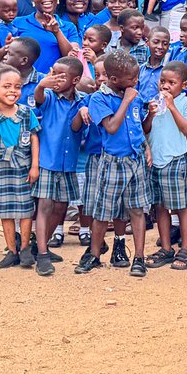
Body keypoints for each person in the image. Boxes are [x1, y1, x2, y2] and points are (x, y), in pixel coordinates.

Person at [78, 51, 154, 278]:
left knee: (137, 209)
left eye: (136, 77)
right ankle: (94, 254)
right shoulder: (99, 99)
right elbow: (110, 127)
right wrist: (127, 100)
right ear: (113, 79)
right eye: (131, 79)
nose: (135, 82)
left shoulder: (134, 95)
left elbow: (141, 128)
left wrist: (148, 116)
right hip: (113, 161)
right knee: (103, 211)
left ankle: (139, 257)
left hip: (135, 158)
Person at [31, 56, 89, 277]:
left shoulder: (83, 100)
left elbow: (78, 126)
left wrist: (83, 111)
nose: (54, 78)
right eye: (53, 73)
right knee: (45, 206)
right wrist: (40, 85)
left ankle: (40, 245)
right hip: (47, 161)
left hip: (68, 164)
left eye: (60, 75)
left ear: (75, 80)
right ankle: (43, 256)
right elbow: (38, 99)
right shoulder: (48, 97)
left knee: (62, 206)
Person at [0, 66, 40, 269]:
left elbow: (34, 137)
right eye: (6, 86)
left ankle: (25, 250)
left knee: (25, 210)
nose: (13, 91)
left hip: (22, 166)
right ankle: (11, 251)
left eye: (17, 87)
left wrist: (34, 166)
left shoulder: (25, 112)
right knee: (6, 211)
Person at [140, 60, 187, 271]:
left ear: (183, 85)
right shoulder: (152, 103)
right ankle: (166, 248)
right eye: (162, 81)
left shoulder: (186, 103)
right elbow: (145, 129)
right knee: (160, 206)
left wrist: (171, 106)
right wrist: (151, 114)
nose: (165, 86)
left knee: (181, 206)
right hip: (155, 160)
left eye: (171, 82)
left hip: (175, 160)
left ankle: (185, 248)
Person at [10, 0, 75, 73]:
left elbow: (72, 58)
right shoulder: (17, 23)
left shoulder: (69, 27)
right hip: (23, 84)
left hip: (56, 84)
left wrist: (57, 32)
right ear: (32, 0)